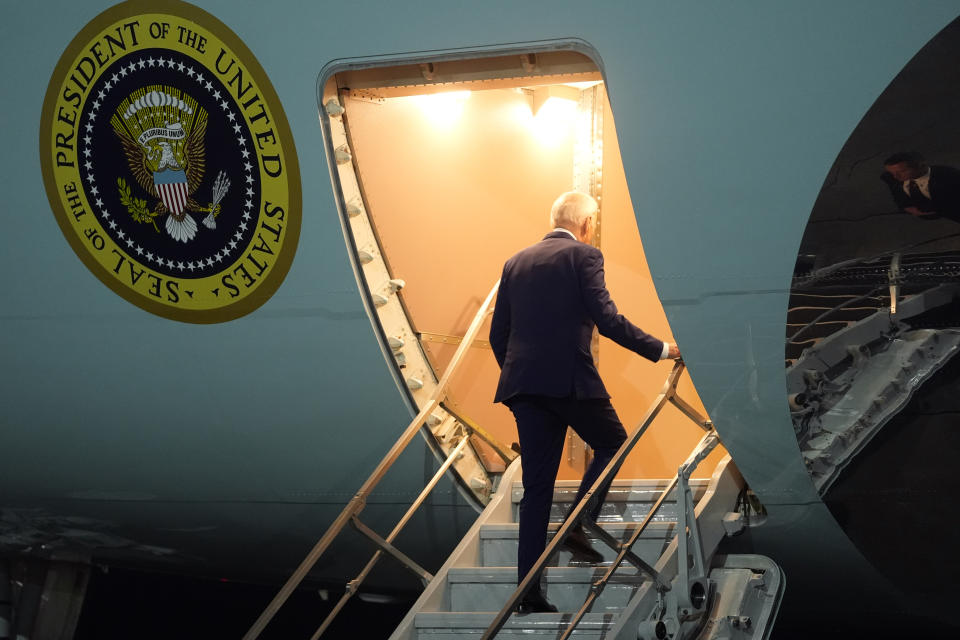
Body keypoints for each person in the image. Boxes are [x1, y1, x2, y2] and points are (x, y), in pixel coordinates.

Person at [489, 191, 679, 614]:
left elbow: (497, 335)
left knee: (537, 489)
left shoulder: (515, 262)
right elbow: (608, 319)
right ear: (587, 225)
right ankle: (577, 523)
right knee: (613, 441)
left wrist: (522, 373)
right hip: (571, 382)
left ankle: (528, 595)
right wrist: (663, 349)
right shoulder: (585, 257)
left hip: (523, 387)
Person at [881, 151, 960, 221]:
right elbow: (897, 193)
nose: (895, 176)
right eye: (892, 173)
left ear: (921, 166)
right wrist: (906, 207)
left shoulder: (949, 177)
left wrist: (931, 210)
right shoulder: (890, 177)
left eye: (902, 171)